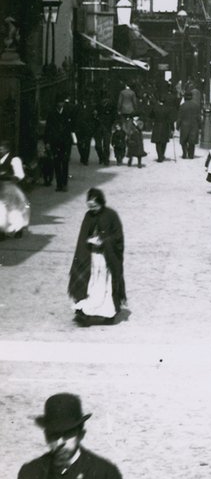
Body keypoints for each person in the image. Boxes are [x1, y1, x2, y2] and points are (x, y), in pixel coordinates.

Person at [2, 393, 134, 479]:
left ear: (80, 434)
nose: (60, 442)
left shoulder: (104, 472)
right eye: (54, 435)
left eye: (67, 434)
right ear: (46, 436)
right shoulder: (31, 472)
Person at [68, 188, 126, 327]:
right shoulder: (88, 216)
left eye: (95, 206)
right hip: (92, 258)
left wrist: (104, 241)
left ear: (101, 202)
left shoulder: (111, 215)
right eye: (90, 206)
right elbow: (83, 236)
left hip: (106, 258)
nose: (93, 209)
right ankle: (86, 311)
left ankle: (108, 313)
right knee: (91, 284)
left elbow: (118, 237)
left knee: (105, 286)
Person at [0, 139, 30, 239]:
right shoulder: (1, 159)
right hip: (1, 187)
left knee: (14, 210)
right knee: (3, 209)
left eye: (3, 147)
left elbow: (20, 175)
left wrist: (8, 176)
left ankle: (17, 229)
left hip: (11, 187)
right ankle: (3, 231)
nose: (1, 149)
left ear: (8, 149)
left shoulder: (14, 160)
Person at [44, 99, 75, 192]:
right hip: (55, 142)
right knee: (57, 163)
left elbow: (71, 128)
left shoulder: (67, 113)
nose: (60, 104)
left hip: (65, 142)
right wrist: (47, 142)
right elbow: (48, 129)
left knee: (65, 162)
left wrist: (71, 140)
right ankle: (59, 184)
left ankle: (64, 184)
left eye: (61, 102)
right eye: (59, 102)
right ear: (56, 103)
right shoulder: (52, 114)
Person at [177, 92, 200, 160]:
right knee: (192, 141)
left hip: (184, 125)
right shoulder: (196, 105)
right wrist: (200, 125)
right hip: (194, 125)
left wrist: (177, 126)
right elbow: (198, 117)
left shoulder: (182, 106)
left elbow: (179, 117)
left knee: (183, 140)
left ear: (185, 97)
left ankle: (184, 153)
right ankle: (191, 154)